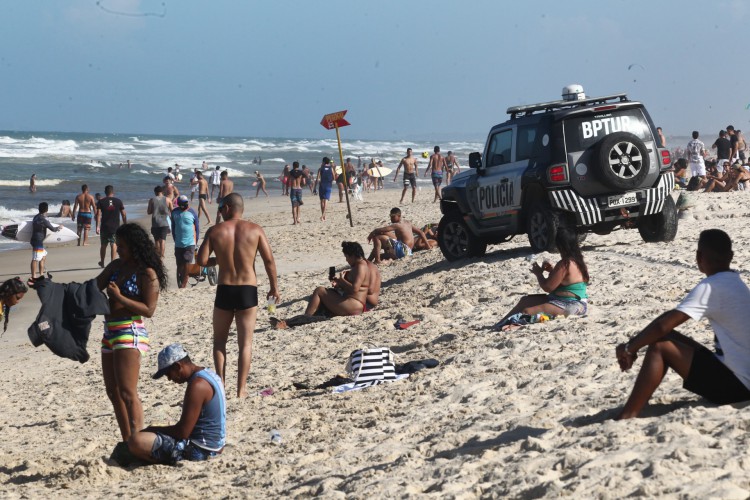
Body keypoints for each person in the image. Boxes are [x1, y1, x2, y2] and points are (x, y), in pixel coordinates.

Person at [615, 229, 750, 419]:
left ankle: (628, 414)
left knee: (660, 347)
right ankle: (635, 407)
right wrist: (634, 344)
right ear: (731, 256)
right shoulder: (736, 282)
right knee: (668, 335)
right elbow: (666, 322)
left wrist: (630, 348)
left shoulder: (711, 287)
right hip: (741, 376)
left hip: (737, 388)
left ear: (699, 256)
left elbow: (662, 325)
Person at [196, 193, 280, 398]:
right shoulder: (255, 230)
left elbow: (201, 260)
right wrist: (274, 287)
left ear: (227, 208)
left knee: (219, 342)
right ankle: (241, 391)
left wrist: (219, 261)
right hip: (247, 290)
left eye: (220, 208)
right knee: (245, 343)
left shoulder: (215, 231)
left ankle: (221, 388)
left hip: (225, 289)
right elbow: (269, 261)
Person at [95, 223, 168, 443]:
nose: (118, 250)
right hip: (110, 332)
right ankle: (129, 441)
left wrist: (119, 297)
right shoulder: (116, 266)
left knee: (127, 392)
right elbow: (94, 287)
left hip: (130, 330)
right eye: (117, 245)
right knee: (113, 392)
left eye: (123, 246)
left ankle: (138, 440)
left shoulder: (146, 273)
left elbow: (149, 310)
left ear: (135, 247)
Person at [127, 343, 226, 464]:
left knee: (136, 441)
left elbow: (182, 432)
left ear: (177, 366)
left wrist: (153, 429)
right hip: (215, 445)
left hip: (201, 450)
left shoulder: (197, 385)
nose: (169, 378)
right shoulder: (208, 374)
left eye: (168, 373)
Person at [495, 226, 589, 330]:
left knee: (527, 312)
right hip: (570, 301)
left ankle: (513, 325)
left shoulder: (565, 264)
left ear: (560, 245)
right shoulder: (578, 260)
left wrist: (539, 274)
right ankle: (500, 324)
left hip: (571, 304)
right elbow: (566, 280)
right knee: (525, 300)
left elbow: (547, 287)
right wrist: (552, 271)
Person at [29, 202, 62, 285]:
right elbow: (53, 229)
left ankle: (41, 275)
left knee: (43, 256)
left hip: (35, 240)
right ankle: (33, 277)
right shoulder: (43, 219)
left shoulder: (36, 217)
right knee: (35, 258)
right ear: (46, 210)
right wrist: (60, 227)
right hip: (38, 241)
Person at [171, 195, 200, 289]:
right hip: (178, 243)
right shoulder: (174, 212)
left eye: (185, 204)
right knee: (179, 264)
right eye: (181, 204)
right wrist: (175, 239)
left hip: (190, 242)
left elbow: (197, 228)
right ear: (178, 204)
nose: (183, 206)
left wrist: (197, 240)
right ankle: (182, 278)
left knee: (187, 262)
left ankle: (184, 283)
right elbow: (173, 227)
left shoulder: (192, 213)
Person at [96, 185, 127, 268]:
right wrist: (125, 224)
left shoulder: (101, 202)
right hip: (115, 227)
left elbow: (98, 214)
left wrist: (97, 226)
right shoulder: (118, 201)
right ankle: (112, 262)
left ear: (105, 192)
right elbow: (123, 214)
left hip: (104, 227)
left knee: (103, 245)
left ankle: (102, 262)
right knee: (113, 244)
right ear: (113, 192)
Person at [147, 185, 171, 258]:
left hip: (155, 223)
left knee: (157, 240)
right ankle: (162, 255)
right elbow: (172, 210)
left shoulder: (152, 200)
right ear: (162, 192)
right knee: (163, 240)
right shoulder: (168, 199)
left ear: (155, 192)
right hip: (165, 222)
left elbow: (149, 212)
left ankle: (158, 255)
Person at [313, 157, 336, 221]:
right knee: (326, 201)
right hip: (328, 185)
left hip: (322, 185)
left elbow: (317, 179)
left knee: (322, 201)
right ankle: (323, 215)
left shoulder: (320, 169)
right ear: (328, 162)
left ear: (323, 162)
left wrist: (314, 187)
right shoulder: (331, 168)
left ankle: (323, 216)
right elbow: (334, 177)